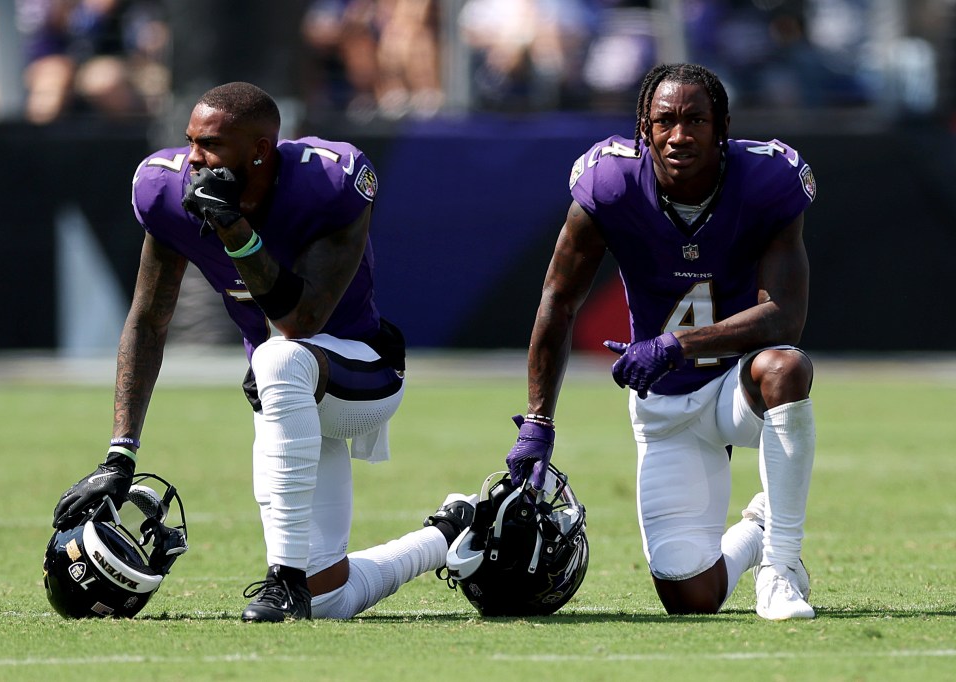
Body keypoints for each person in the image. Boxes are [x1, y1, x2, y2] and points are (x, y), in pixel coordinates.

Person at [51, 81, 476, 623]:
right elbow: (148, 319)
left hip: (361, 371)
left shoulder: (329, 180)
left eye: (211, 145)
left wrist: (234, 230)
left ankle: (283, 580)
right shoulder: (165, 191)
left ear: (259, 149)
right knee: (330, 599)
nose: (194, 160)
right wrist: (120, 452)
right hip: (286, 394)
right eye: (190, 142)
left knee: (276, 358)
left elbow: (302, 320)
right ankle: (450, 532)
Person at [505, 63, 818, 620]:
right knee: (689, 597)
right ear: (643, 129)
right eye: (665, 120)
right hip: (667, 404)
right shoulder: (610, 182)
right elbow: (559, 300)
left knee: (785, 368)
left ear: (722, 125)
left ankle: (782, 568)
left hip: (734, 384)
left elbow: (785, 317)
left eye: (695, 120)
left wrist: (679, 344)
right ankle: (758, 529)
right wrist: (538, 421)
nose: (680, 135)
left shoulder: (766, 179)